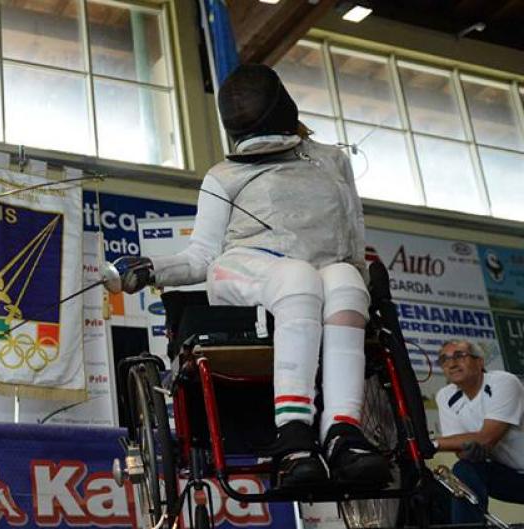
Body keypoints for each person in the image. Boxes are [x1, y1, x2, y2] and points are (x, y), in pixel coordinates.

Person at [103, 64, 389, 489]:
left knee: (346, 282)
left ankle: (343, 434)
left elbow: (352, 234)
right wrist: (149, 269)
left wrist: (364, 286)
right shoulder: (224, 175)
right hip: (247, 267)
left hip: (326, 269)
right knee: (298, 280)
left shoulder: (332, 161)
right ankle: (294, 436)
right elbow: (201, 258)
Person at [433, 339, 524, 523]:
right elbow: (460, 448)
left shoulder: (504, 382)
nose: (451, 363)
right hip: (511, 476)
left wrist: (433, 444)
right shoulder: (445, 395)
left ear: (479, 361)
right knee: (464, 470)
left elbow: (486, 438)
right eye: (444, 359)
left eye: (459, 356)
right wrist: (468, 453)